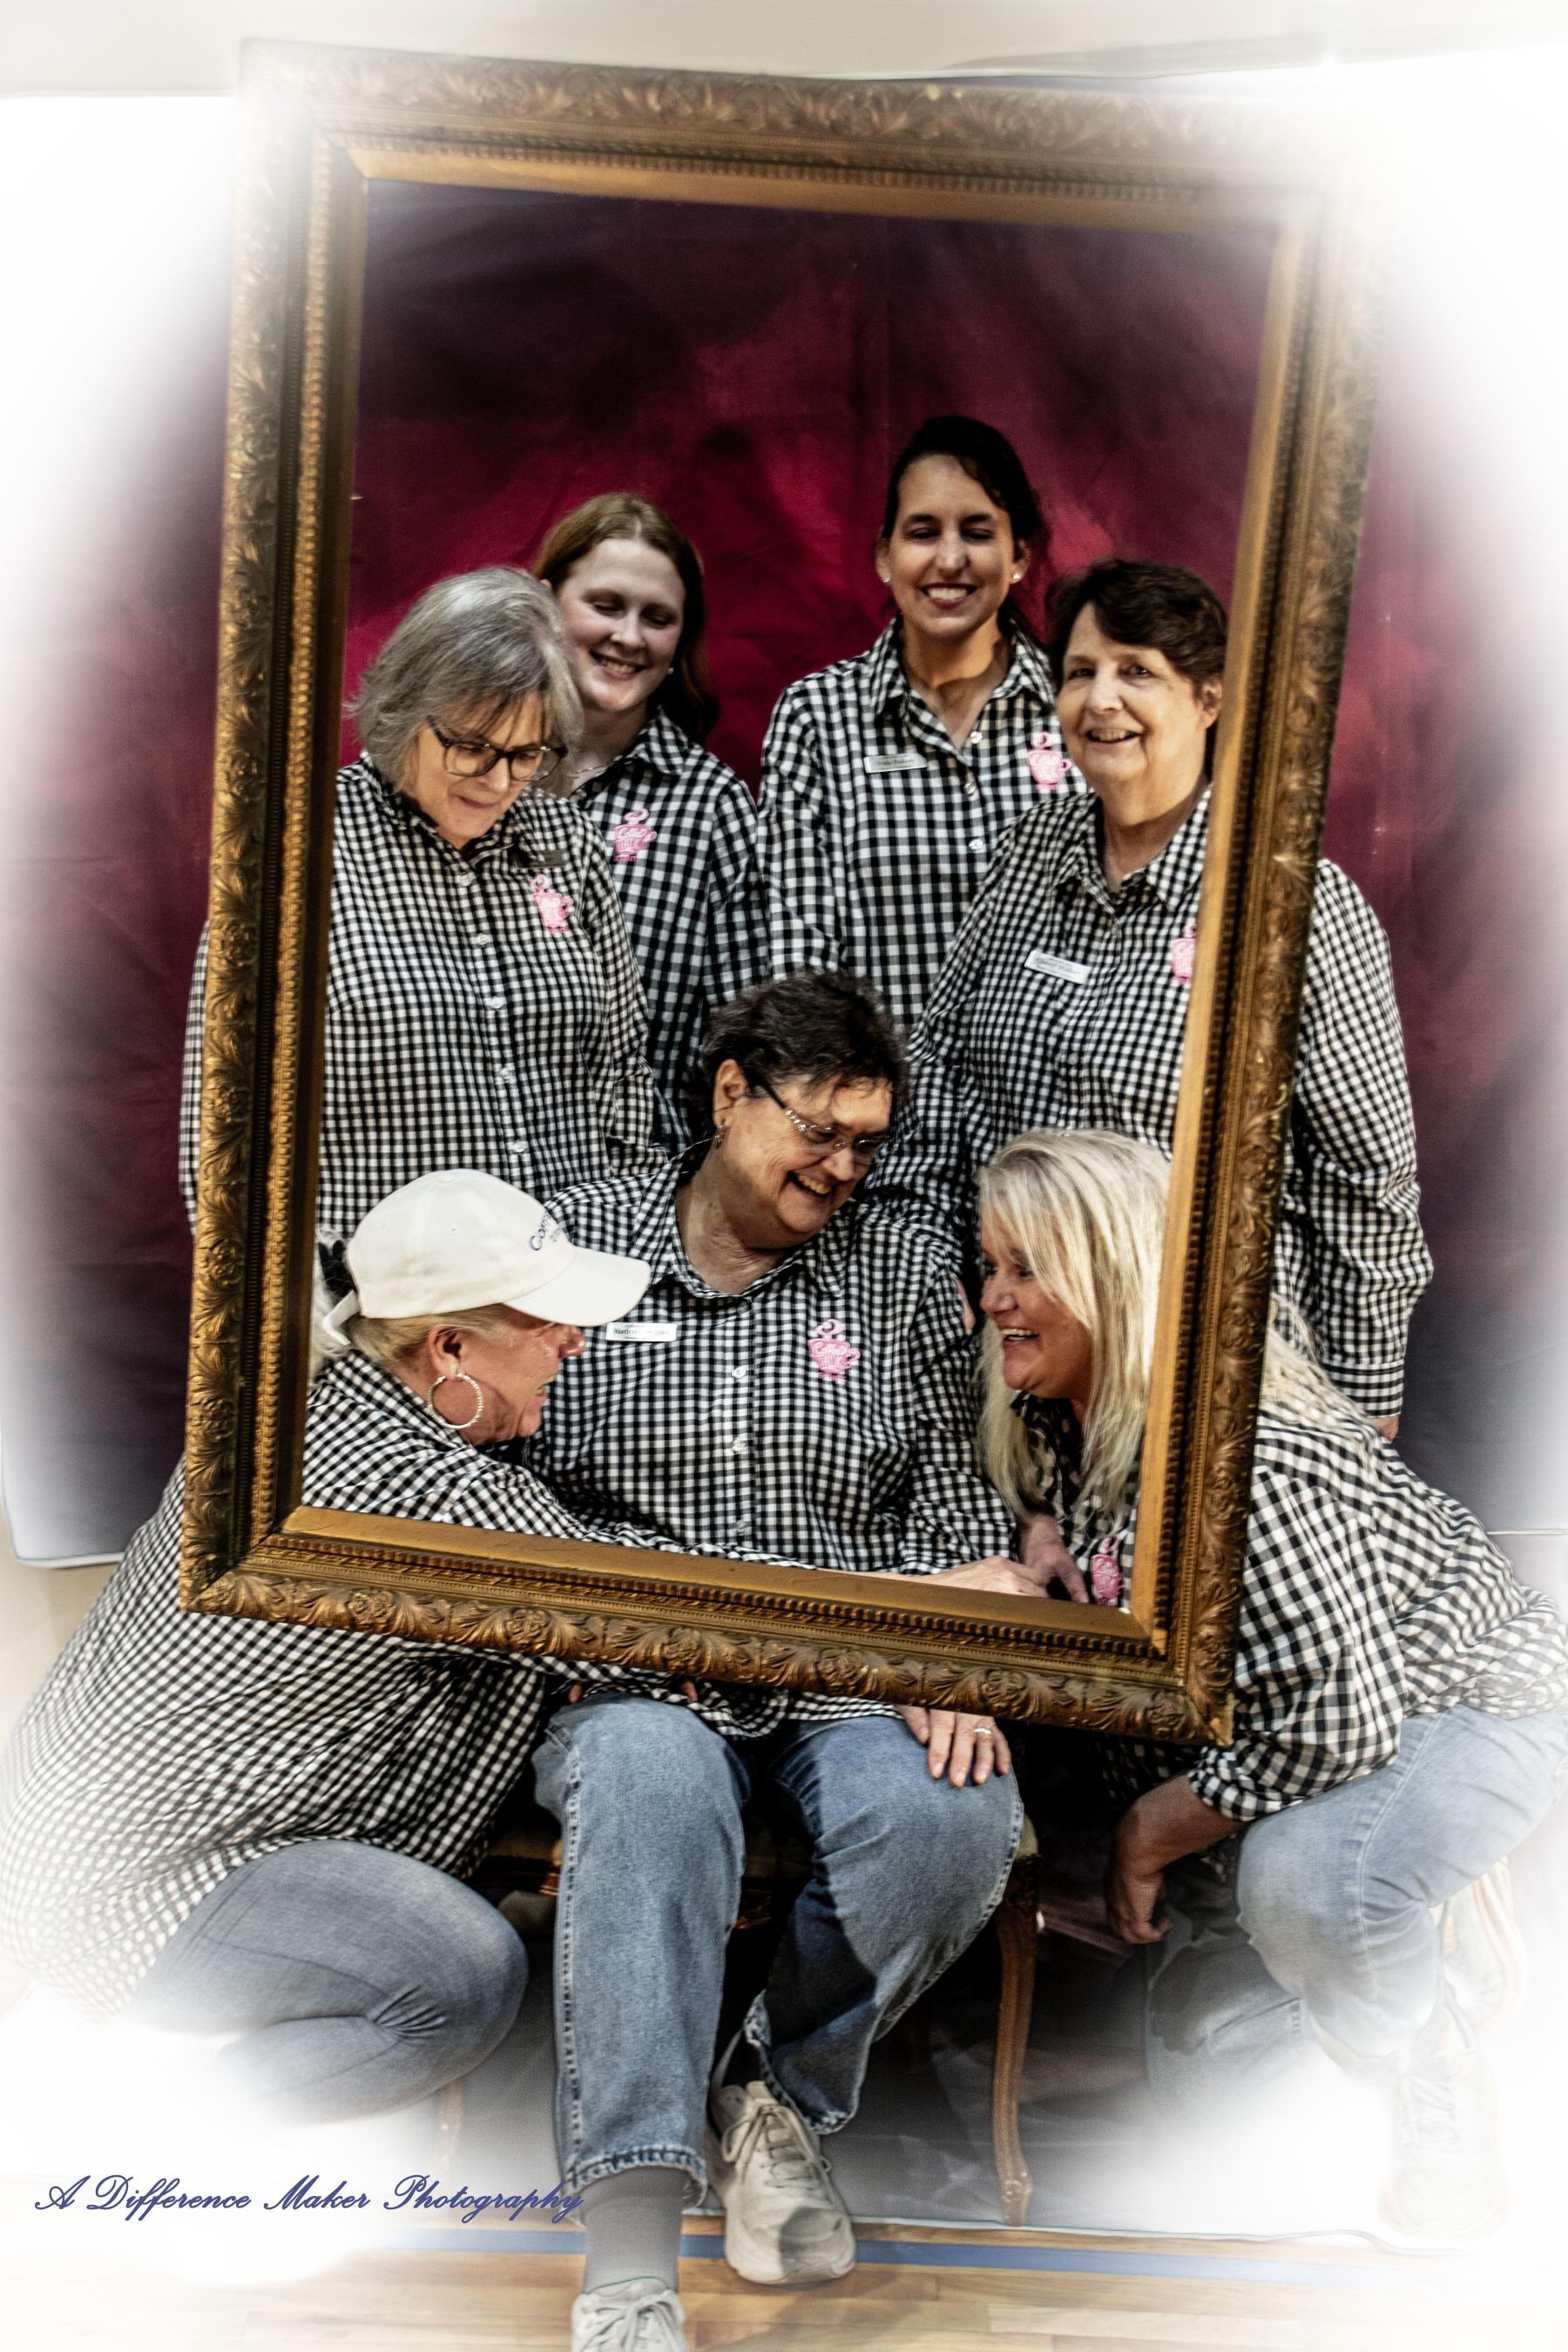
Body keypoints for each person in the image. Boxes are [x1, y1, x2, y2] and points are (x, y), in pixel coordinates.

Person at [520, 970, 1027, 2336]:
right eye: (820, 1131)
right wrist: (603, 1616)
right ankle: (628, 2251)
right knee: (651, 1787)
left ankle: (778, 2099)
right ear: (730, 1092)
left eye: (869, 1143)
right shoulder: (584, 1242)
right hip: (630, 1674)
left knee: (953, 1815)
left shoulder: (902, 1268)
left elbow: (956, 1497)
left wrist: (954, 1654)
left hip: (844, 1660)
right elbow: (508, 1468)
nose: (843, 1169)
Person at [975, 1125, 1568, 2240]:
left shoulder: (1244, 1459)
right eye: (992, 1267)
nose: (997, 1298)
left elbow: (1339, 1721)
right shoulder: (1069, 1415)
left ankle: (1441, 2042)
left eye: (1028, 1270)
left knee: (1306, 1886)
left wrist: (1150, 1832)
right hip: (1313, 1738)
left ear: (1113, 1274)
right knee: (1212, 2092)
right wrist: (1038, 1531)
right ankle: (1380, 1990)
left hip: (1460, 1704)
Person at [0, 1169, 652, 2112]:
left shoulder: (282, 1414)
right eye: (548, 1322)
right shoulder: (439, 1501)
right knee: (457, 1980)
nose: (572, 1343)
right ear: (451, 1347)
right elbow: (670, 1625)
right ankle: (123, 2133)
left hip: (55, 1848)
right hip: (128, 1902)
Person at [874, 558, 1431, 1429]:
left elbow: (1363, 1179)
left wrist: (1361, 1408)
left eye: (1138, 672)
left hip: (1192, 1382)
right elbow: (939, 1073)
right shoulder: (1027, 857)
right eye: (1080, 672)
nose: (1101, 701)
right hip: (1011, 1369)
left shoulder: (1292, 903)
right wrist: (920, 1271)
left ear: (1208, 699)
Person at [180, 567, 658, 1247]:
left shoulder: (566, 840)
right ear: (405, 709)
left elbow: (621, 1070)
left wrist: (616, 1236)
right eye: (470, 746)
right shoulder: (297, 855)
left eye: (525, 753)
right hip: (379, 1322)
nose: (498, 782)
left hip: (561, 1299)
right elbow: (224, 1132)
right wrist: (313, 1318)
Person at [757, 415, 1078, 1032]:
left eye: (978, 532)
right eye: (923, 532)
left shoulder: (1080, 709)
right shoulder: (816, 718)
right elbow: (801, 960)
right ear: (885, 554)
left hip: (1051, 1116)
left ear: (1019, 555)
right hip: (879, 1115)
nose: (950, 559)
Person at [536, 494, 767, 1149]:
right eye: (606, 605)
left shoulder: (713, 808)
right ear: (548, 601)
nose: (629, 636)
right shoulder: (473, 777)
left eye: (657, 617)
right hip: (465, 1177)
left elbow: (740, 1049)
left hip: (632, 1187)